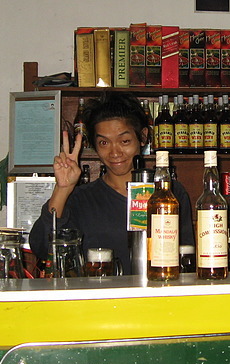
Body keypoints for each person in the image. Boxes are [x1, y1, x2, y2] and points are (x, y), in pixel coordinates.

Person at [29, 92, 194, 275]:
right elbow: (42, 247)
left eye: (124, 141)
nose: (115, 152)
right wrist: (63, 188)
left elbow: (187, 257)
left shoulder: (169, 195)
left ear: (143, 137)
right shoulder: (82, 199)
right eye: (104, 143)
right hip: (99, 301)